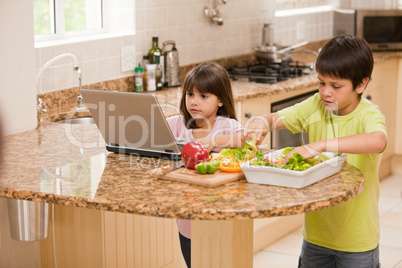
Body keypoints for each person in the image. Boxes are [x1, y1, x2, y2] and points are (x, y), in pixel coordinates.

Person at [241, 34, 387, 267]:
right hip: (316, 237)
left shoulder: (369, 115)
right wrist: (261, 122)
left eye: (336, 86)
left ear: (361, 84)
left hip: (357, 240)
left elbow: (378, 141)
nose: (326, 92)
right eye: (321, 82)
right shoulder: (316, 106)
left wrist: (321, 145)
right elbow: (273, 118)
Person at [166, 62, 243, 267]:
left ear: (220, 100)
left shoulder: (226, 126)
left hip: (219, 219)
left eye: (203, 96)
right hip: (186, 220)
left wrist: (213, 142)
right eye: (190, 94)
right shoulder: (177, 124)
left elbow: (243, 139)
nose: (194, 102)